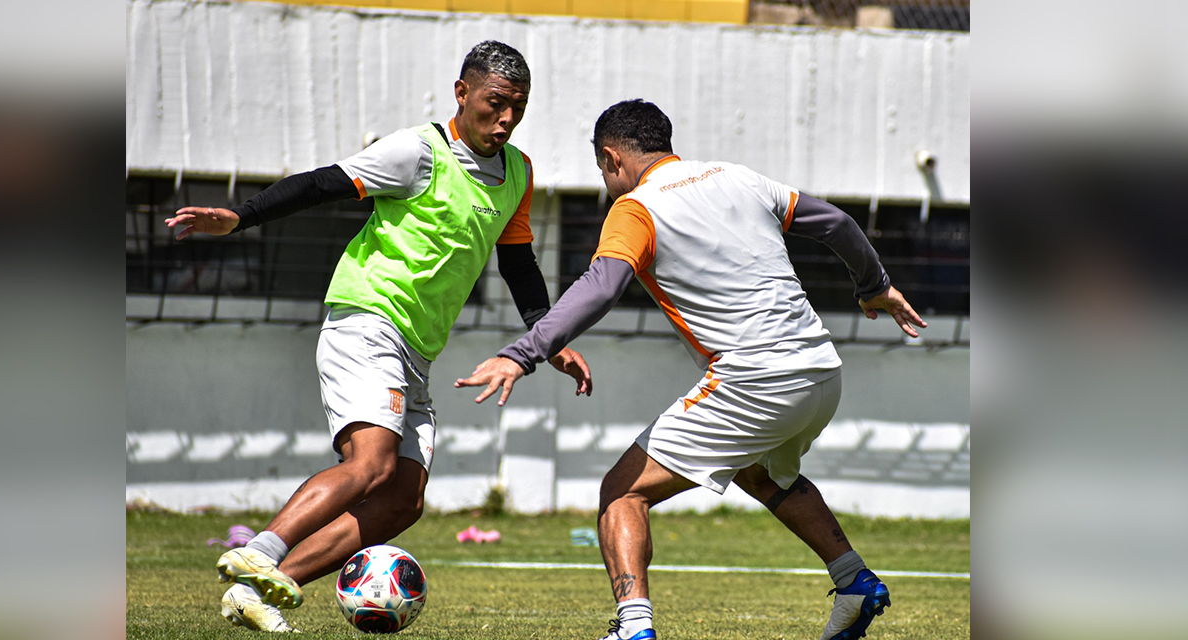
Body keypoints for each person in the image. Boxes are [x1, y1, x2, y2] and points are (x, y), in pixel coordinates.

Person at [456, 99, 926, 640]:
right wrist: (875, 285)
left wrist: (521, 354)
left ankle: (633, 629)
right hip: (821, 371)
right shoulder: (737, 176)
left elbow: (601, 287)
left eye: (603, 172)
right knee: (763, 473)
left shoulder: (636, 207)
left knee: (622, 493)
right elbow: (838, 224)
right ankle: (854, 583)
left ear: (612, 159)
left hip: (754, 380)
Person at [166, 40, 592, 633]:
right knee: (370, 464)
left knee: (402, 498)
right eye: (495, 104)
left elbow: (517, 262)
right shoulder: (417, 151)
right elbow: (322, 184)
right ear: (461, 93)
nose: (506, 120)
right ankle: (262, 549)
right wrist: (242, 217)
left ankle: (267, 585)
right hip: (367, 320)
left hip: (417, 347)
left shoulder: (516, 173)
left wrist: (547, 336)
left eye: (518, 108)